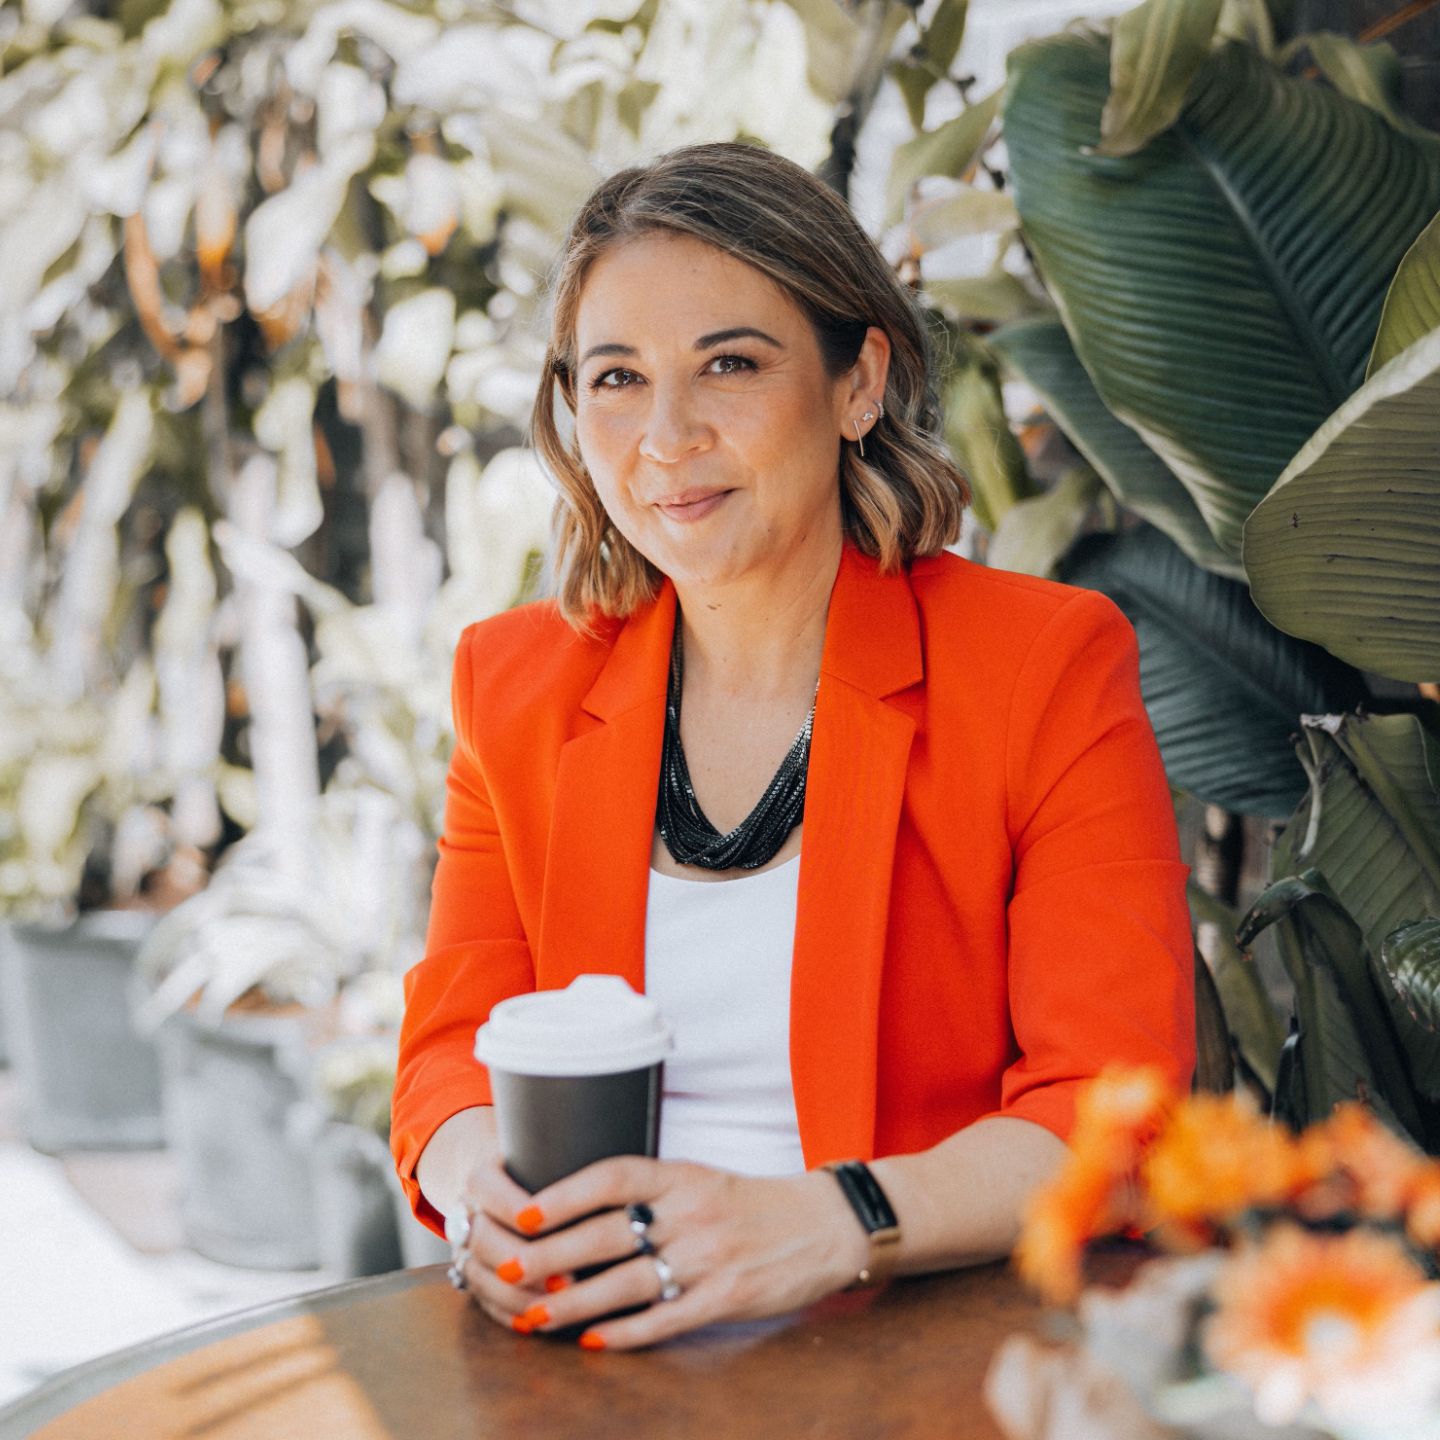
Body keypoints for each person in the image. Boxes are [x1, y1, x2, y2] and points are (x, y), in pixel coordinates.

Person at [391, 141, 1194, 1352]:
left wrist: (833, 1222)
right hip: (596, 1356)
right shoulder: (513, 687)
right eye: (617, 379)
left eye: (729, 363)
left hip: (921, 1351)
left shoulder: (1041, 666)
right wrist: (481, 1200)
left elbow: (1118, 1107)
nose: (667, 435)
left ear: (858, 383)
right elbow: (452, 1052)